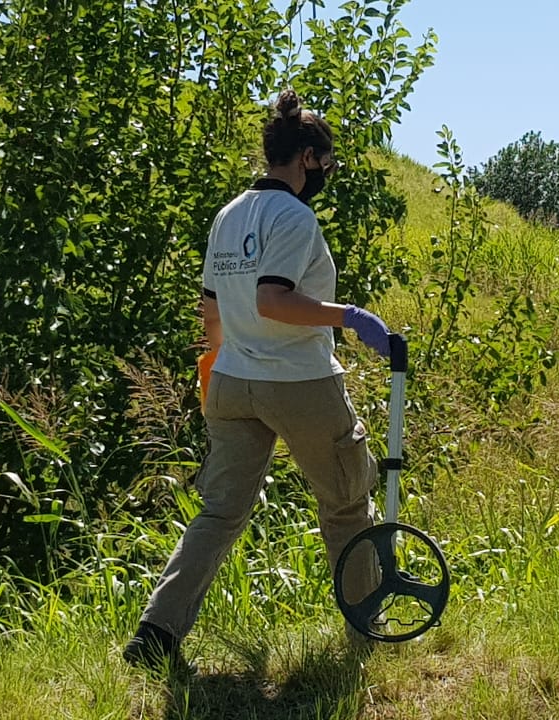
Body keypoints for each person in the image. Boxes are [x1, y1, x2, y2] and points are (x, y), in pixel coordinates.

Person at [123, 89, 391, 672]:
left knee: (219, 513)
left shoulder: (229, 213)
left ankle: (156, 634)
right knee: (347, 501)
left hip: (232, 382)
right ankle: (367, 626)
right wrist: (347, 316)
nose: (326, 174)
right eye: (327, 162)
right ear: (307, 159)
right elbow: (274, 300)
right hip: (296, 381)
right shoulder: (294, 216)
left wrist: (214, 376)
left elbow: (212, 313)